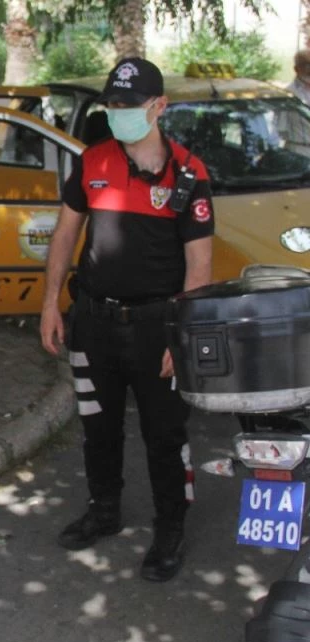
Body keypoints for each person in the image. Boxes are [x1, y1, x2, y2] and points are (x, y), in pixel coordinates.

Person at [40, 58, 214, 583]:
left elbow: (199, 265)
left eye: (129, 105)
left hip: (157, 325)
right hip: (93, 320)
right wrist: (51, 300)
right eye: (112, 105)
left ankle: (170, 527)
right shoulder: (92, 161)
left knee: (165, 434)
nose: (119, 114)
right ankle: (105, 509)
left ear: (158, 107)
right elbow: (66, 235)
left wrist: (181, 335)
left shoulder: (188, 174)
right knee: (98, 426)